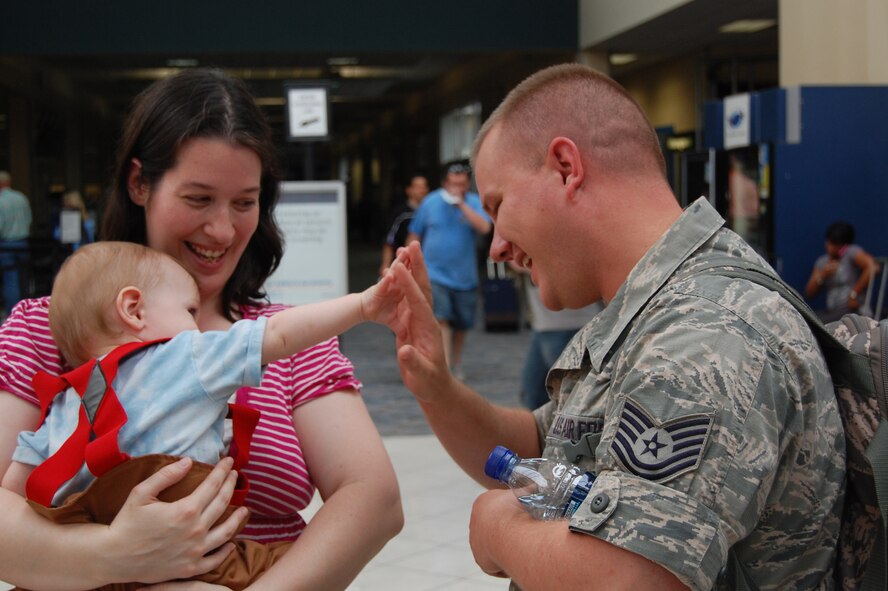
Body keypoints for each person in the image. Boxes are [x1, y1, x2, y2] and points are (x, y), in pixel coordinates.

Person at [388, 63, 844, 590]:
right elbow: (546, 451)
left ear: (565, 167)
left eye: (498, 205)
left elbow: (631, 579)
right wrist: (434, 385)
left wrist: (500, 532)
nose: (497, 246)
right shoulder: (656, 308)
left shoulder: (700, 333)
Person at [0, 68, 402, 591]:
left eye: (244, 202)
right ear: (139, 182)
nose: (221, 229)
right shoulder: (48, 327)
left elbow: (373, 498)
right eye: (198, 199)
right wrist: (116, 555)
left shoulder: (291, 339)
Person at [2, 240, 402, 589]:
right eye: (189, 310)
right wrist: (363, 305)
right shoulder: (186, 356)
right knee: (275, 562)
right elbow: (278, 334)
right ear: (133, 309)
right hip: (203, 563)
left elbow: (18, 485)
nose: (197, 324)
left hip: (95, 579)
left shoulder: (64, 399)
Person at [406, 161, 491, 379]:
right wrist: (408, 261)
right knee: (441, 319)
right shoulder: (430, 202)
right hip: (435, 273)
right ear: (445, 183)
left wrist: (461, 204)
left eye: (462, 184)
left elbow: (485, 228)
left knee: (462, 323)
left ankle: (455, 362)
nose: (458, 189)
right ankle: (443, 367)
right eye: (454, 184)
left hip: (465, 275)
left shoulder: (473, 202)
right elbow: (415, 233)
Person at [509, 263, 603, 410]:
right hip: (544, 326)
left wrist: (524, 264)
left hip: (566, 326)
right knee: (532, 395)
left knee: (572, 397)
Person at [805, 220, 878, 322]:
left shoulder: (851, 253)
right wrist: (822, 276)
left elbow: (873, 267)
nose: (831, 247)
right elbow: (809, 293)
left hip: (852, 310)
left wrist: (854, 293)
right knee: (808, 320)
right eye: (829, 243)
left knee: (824, 322)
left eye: (836, 244)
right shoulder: (822, 262)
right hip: (832, 311)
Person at [378, 173, 429, 279]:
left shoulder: (432, 212)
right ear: (409, 190)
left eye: (424, 186)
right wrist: (385, 264)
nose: (422, 190)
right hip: (404, 263)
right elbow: (389, 240)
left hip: (428, 266)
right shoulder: (401, 213)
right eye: (418, 187)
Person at [0, 170, 32, 318]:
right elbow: (29, 219)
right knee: (24, 278)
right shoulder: (21, 198)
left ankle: (15, 315)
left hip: (7, 244)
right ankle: (26, 311)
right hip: (23, 242)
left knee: (10, 279)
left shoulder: (1, 200)